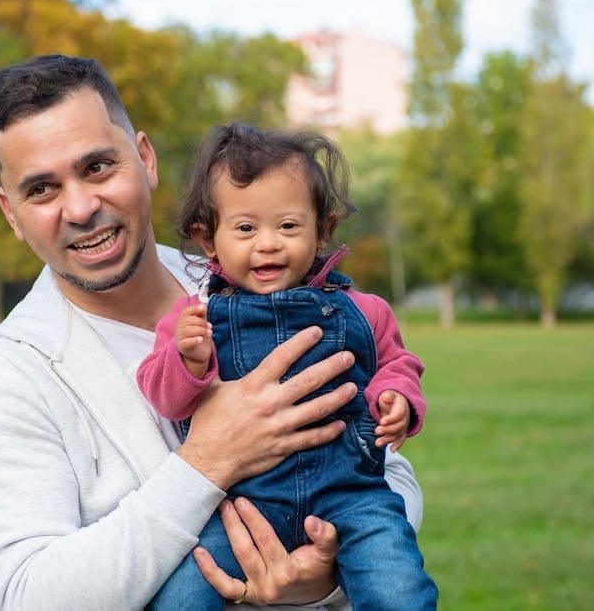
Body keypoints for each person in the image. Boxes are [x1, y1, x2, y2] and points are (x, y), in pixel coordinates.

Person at [0, 53, 425, 611]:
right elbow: (29, 598)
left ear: (145, 160)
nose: (80, 207)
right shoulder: (7, 382)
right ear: (11, 213)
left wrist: (322, 575)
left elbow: (391, 475)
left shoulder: (271, 287)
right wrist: (206, 462)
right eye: (42, 190)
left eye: (98, 167)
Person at [137, 123, 437, 610]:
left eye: (289, 226)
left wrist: (397, 397)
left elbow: (398, 363)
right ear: (207, 238)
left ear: (324, 228)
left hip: (352, 498)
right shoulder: (194, 318)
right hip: (240, 508)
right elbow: (164, 398)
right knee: (181, 595)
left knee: (399, 587)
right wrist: (186, 360)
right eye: (246, 228)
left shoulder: (366, 310)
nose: (269, 243)